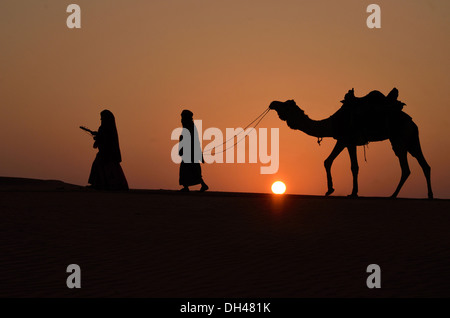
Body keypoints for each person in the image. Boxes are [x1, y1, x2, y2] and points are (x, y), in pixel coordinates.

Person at [87, 110, 129, 190]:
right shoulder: (108, 128)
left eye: (102, 118)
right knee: (101, 167)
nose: (101, 120)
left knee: (107, 169)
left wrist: (98, 137)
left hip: (108, 154)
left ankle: (102, 185)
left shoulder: (105, 128)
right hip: (107, 153)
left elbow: (106, 139)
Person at [179, 109, 209, 192]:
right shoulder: (189, 126)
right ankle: (200, 185)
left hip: (190, 152)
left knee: (188, 169)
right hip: (190, 152)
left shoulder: (190, 126)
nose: (181, 119)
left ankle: (188, 187)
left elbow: (193, 140)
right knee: (191, 170)